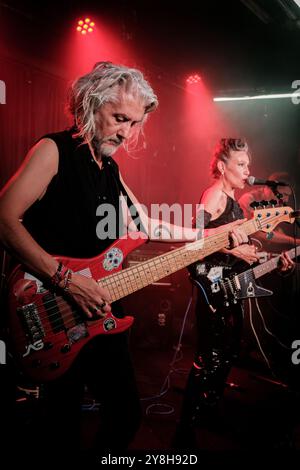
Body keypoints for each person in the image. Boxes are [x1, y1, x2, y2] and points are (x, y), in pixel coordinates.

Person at [0, 63, 249, 460]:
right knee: (59, 429)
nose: (127, 133)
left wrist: (209, 236)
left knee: (125, 416)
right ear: (89, 103)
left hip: (100, 312)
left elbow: (144, 224)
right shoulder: (54, 150)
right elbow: (4, 218)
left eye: (134, 123)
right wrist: (66, 279)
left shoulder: (110, 169)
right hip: (53, 308)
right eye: (119, 119)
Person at [173, 138, 294, 449]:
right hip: (211, 286)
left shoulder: (236, 204)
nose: (247, 170)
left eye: (248, 164)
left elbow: (237, 247)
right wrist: (236, 250)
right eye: (241, 164)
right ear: (222, 167)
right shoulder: (212, 196)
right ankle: (184, 431)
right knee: (209, 356)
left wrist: (268, 260)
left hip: (232, 287)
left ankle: (209, 410)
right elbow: (195, 239)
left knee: (228, 353)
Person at [238, 171, 300, 252]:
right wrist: (291, 241)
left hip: (264, 250)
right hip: (244, 250)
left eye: (288, 195)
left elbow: (274, 231)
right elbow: (260, 233)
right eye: (284, 194)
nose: (286, 199)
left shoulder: (277, 203)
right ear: (269, 188)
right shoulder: (248, 200)